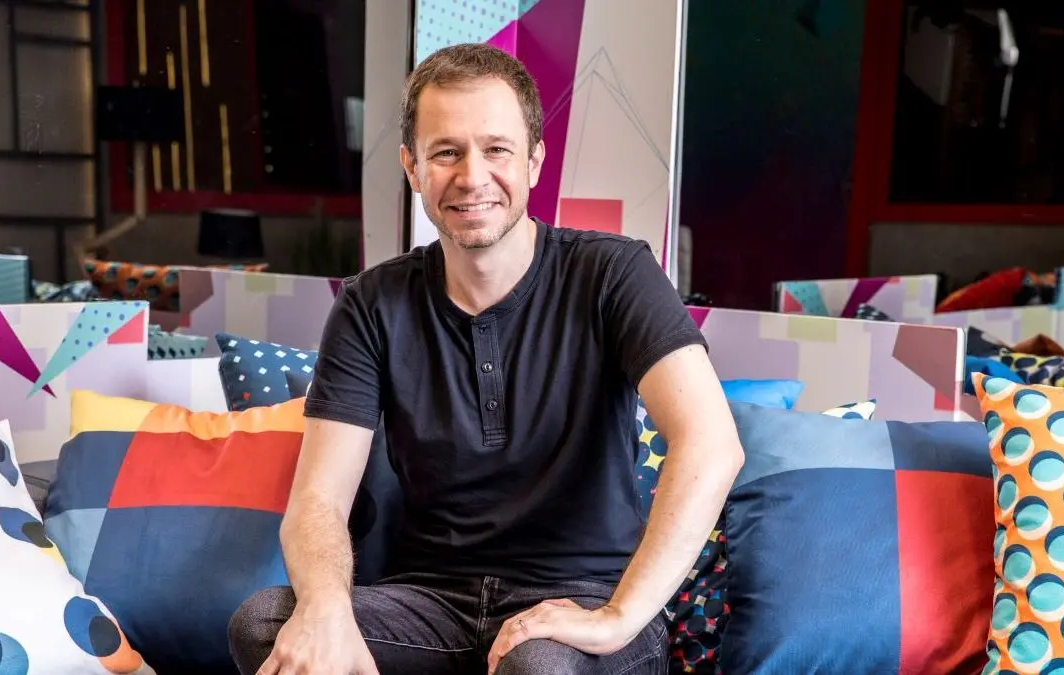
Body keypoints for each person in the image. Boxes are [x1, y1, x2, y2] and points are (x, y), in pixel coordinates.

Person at [228, 43, 744, 675]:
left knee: (537, 667)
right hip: (432, 603)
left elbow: (712, 444)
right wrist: (326, 610)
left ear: (534, 162)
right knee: (268, 624)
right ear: (413, 167)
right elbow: (318, 500)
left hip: (582, 601)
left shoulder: (614, 272)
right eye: (446, 152)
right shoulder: (371, 303)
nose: (472, 177)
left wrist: (616, 618)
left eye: (496, 149)